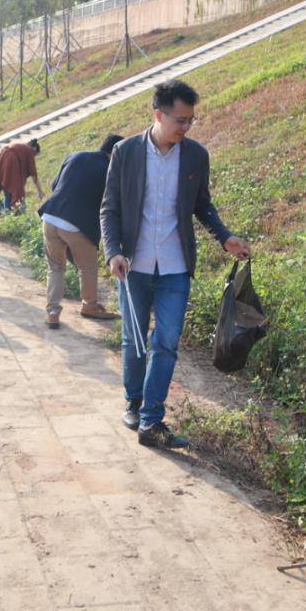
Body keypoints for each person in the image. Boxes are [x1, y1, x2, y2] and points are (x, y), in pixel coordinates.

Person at [100, 79, 252, 449]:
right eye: (180, 120)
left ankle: (151, 420)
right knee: (135, 339)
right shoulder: (126, 152)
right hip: (133, 265)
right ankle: (134, 402)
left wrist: (224, 236)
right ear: (158, 115)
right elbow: (110, 208)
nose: (186, 127)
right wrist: (113, 251)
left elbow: (202, 204)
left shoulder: (196, 155)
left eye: (190, 121)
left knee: (166, 342)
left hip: (175, 266)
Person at [37, 134, 124, 329]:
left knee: (55, 267)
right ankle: (89, 306)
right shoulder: (111, 170)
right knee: (87, 267)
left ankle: (52, 313)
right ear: (116, 152)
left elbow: (54, 185)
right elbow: (111, 204)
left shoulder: (75, 155)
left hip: (50, 217)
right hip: (77, 225)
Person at [0, 140, 44, 210]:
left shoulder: (22, 148)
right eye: (35, 154)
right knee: (15, 189)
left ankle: (7, 211)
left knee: (7, 189)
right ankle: (14, 211)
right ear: (34, 148)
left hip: (2, 157)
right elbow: (34, 174)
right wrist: (40, 192)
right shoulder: (30, 151)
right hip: (10, 160)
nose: (34, 156)